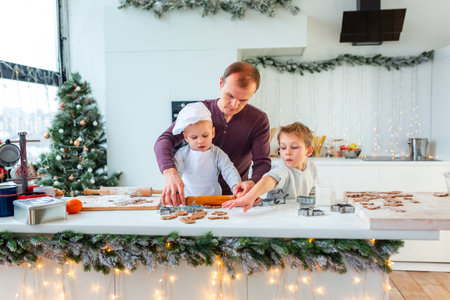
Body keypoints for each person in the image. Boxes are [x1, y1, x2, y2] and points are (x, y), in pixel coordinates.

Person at [154, 62, 271, 206]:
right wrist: (169, 172)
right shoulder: (199, 111)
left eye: (243, 100)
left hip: (235, 198)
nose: (234, 105)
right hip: (194, 198)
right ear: (221, 82)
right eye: (230, 95)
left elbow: (263, 163)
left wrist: (252, 183)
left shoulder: (258, 119)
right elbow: (164, 140)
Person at [222, 122, 317, 212]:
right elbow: (270, 179)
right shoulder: (282, 169)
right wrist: (249, 197)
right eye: (283, 148)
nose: (287, 152)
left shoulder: (311, 167)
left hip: (296, 214)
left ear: (308, 151)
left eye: (294, 147)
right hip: (276, 214)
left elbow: (312, 193)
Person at [172, 102, 241, 196]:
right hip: (188, 199)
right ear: (186, 137)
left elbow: (229, 170)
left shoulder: (217, 153)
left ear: (212, 133)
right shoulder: (182, 154)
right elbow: (176, 175)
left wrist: (236, 187)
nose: (200, 141)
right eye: (194, 137)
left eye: (205, 136)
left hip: (214, 198)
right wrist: (174, 190)